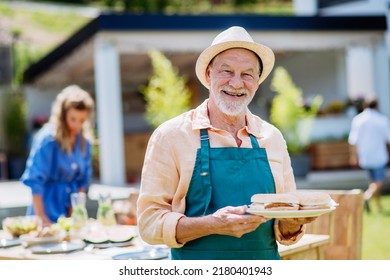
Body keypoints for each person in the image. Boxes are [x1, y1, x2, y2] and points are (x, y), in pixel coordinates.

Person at [137, 26, 316, 260]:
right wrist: (212, 224)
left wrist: (293, 223)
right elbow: (149, 224)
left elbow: (284, 221)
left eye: (247, 74)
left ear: (258, 82)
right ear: (209, 75)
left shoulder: (272, 138)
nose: (236, 83)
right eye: (227, 71)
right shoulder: (171, 136)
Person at [21, 85, 95, 225]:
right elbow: (35, 181)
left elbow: (83, 181)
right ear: (63, 115)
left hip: (70, 211)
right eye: (73, 119)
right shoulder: (48, 140)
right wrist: (42, 218)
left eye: (82, 120)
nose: (77, 125)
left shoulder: (85, 141)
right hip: (46, 209)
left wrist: (75, 215)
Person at [348, 98, 390, 212]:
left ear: (365, 105)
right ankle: (366, 197)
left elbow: (352, 141)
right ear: (377, 106)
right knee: (379, 182)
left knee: (373, 182)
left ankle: (378, 205)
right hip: (379, 156)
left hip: (365, 156)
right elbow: (388, 138)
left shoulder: (358, 120)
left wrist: (353, 156)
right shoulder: (382, 119)